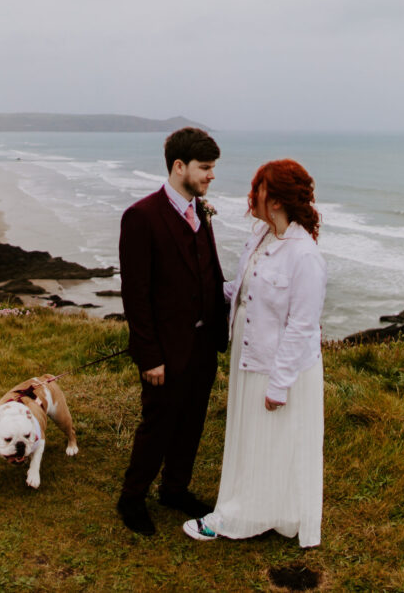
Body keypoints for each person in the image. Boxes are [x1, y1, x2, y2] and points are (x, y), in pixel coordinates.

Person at [183, 158, 327, 548]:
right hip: (248, 359)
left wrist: (279, 385)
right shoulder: (261, 236)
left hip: (280, 369)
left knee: (273, 443)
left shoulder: (304, 256)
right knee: (251, 441)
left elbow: (302, 326)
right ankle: (258, 509)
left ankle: (240, 516)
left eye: (258, 189)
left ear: (276, 200)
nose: (252, 195)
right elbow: (241, 291)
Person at [116, 127, 230, 536]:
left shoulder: (201, 211)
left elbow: (210, 273)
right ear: (179, 167)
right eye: (205, 167)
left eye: (213, 167)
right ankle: (131, 499)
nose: (211, 175)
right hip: (165, 351)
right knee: (158, 425)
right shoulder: (141, 217)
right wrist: (149, 356)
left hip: (202, 346)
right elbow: (136, 294)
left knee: (192, 422)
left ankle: (174, 490)